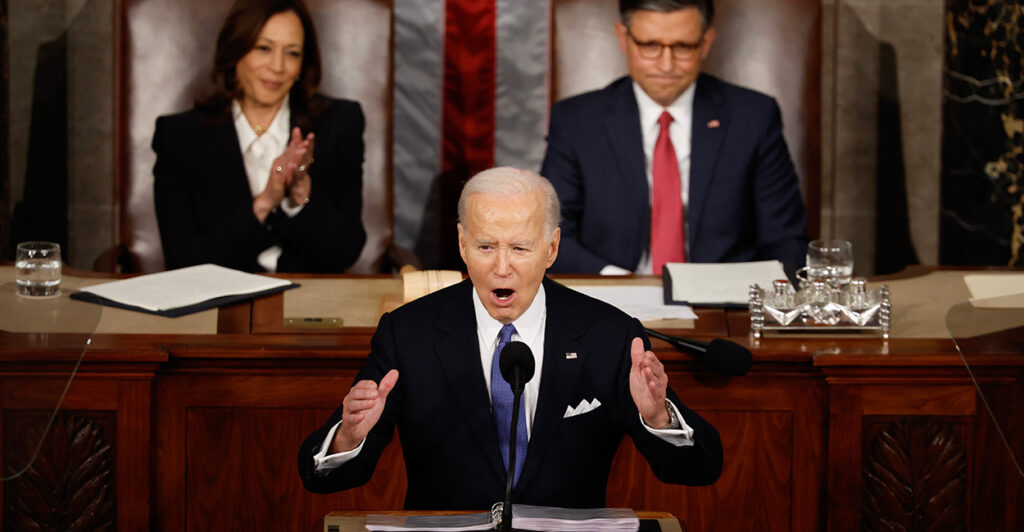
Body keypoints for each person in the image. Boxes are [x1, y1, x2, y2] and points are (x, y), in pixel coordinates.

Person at [298, 167, 722, 510]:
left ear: (551, 248)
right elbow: (322, 477)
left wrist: (660, 418)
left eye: (520, 248)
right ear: (462, 244)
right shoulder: (408, 333)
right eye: (485, 247)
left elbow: (699, 468)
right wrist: (348, 438)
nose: (502, 268)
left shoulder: (609, 335)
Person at [541, 0, 808, 276]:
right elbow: (550, 236)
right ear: (623, 38)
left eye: (683, 47)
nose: (666, 65)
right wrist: (621, 283)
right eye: (650, 45)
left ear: (706, 42)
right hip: (611, 298)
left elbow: (786, 239)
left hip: (723, 302)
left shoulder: (753, 118)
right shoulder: (577, 121)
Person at [153, 0, 365, 273]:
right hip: (219, 304)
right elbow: (182, 262)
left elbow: (346, 252)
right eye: (263, 48)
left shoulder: (339, 124)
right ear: (235, 52)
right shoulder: (180, 137)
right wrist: (264, 204)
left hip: (311, 302)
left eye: (292, 53)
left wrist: (301, 196)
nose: (277, 66)